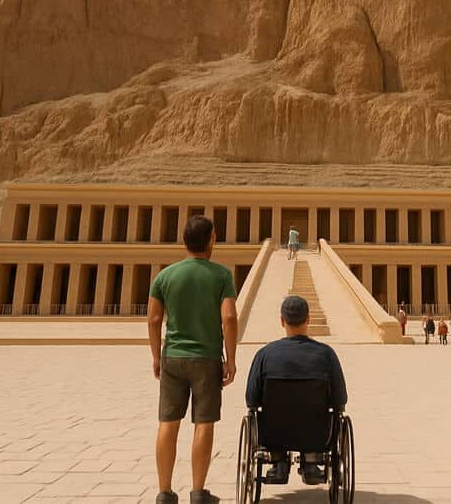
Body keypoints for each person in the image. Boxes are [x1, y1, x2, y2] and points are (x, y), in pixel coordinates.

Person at [148, 215, 238, 504]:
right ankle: (198, 492)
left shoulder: (165, 276)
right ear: (211, 240)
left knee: (168, 422)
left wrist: (156, 356)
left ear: (184, 241)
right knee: (204, 423)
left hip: (172, 356)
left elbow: (153, 319)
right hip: (207, 358)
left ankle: (164, 492)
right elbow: (229, 317)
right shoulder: (222, 275)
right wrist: (231, 359)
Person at [246, 295, 347, 486]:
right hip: (317, 435)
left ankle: (278, 460)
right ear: (308, 319)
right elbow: (340, 399)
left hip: (273, 435)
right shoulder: (326, 354)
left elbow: (251, 399)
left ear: (282, 320)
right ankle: (311, 460)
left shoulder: (265, 354)